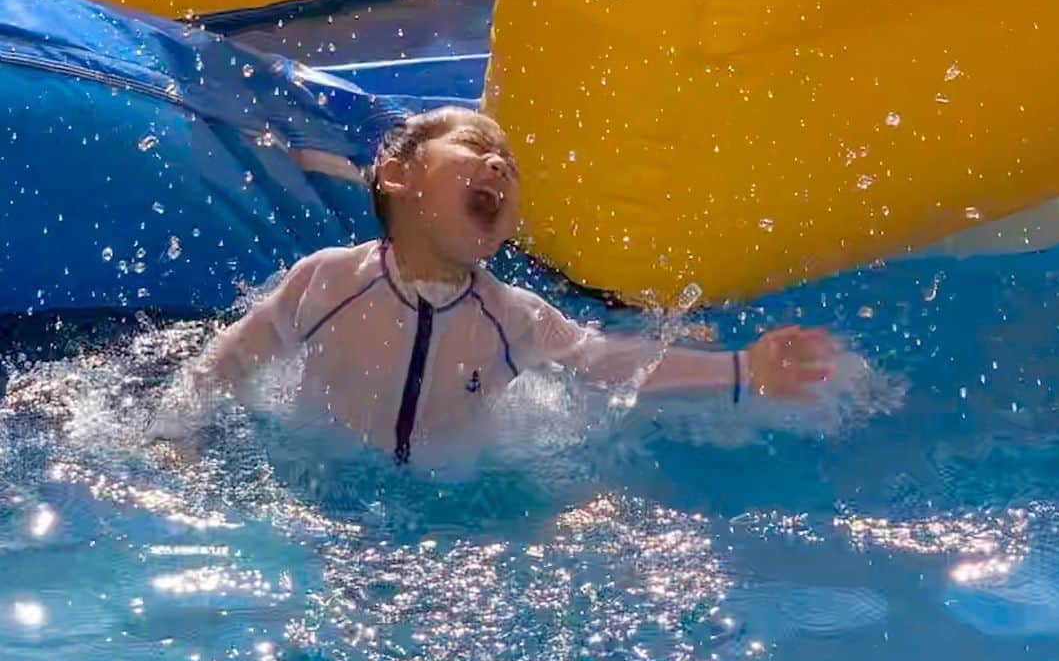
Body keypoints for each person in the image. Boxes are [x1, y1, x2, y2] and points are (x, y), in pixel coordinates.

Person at [151, 107, 836, 463]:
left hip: (453, 513)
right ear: (397, 176)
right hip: (321, 490)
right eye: (476, 150)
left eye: (507, 163)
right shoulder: (327, 280)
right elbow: (233, 356)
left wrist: (742, 370)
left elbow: (607, 362)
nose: (499, 167)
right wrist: (178, 431)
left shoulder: (514, 315)